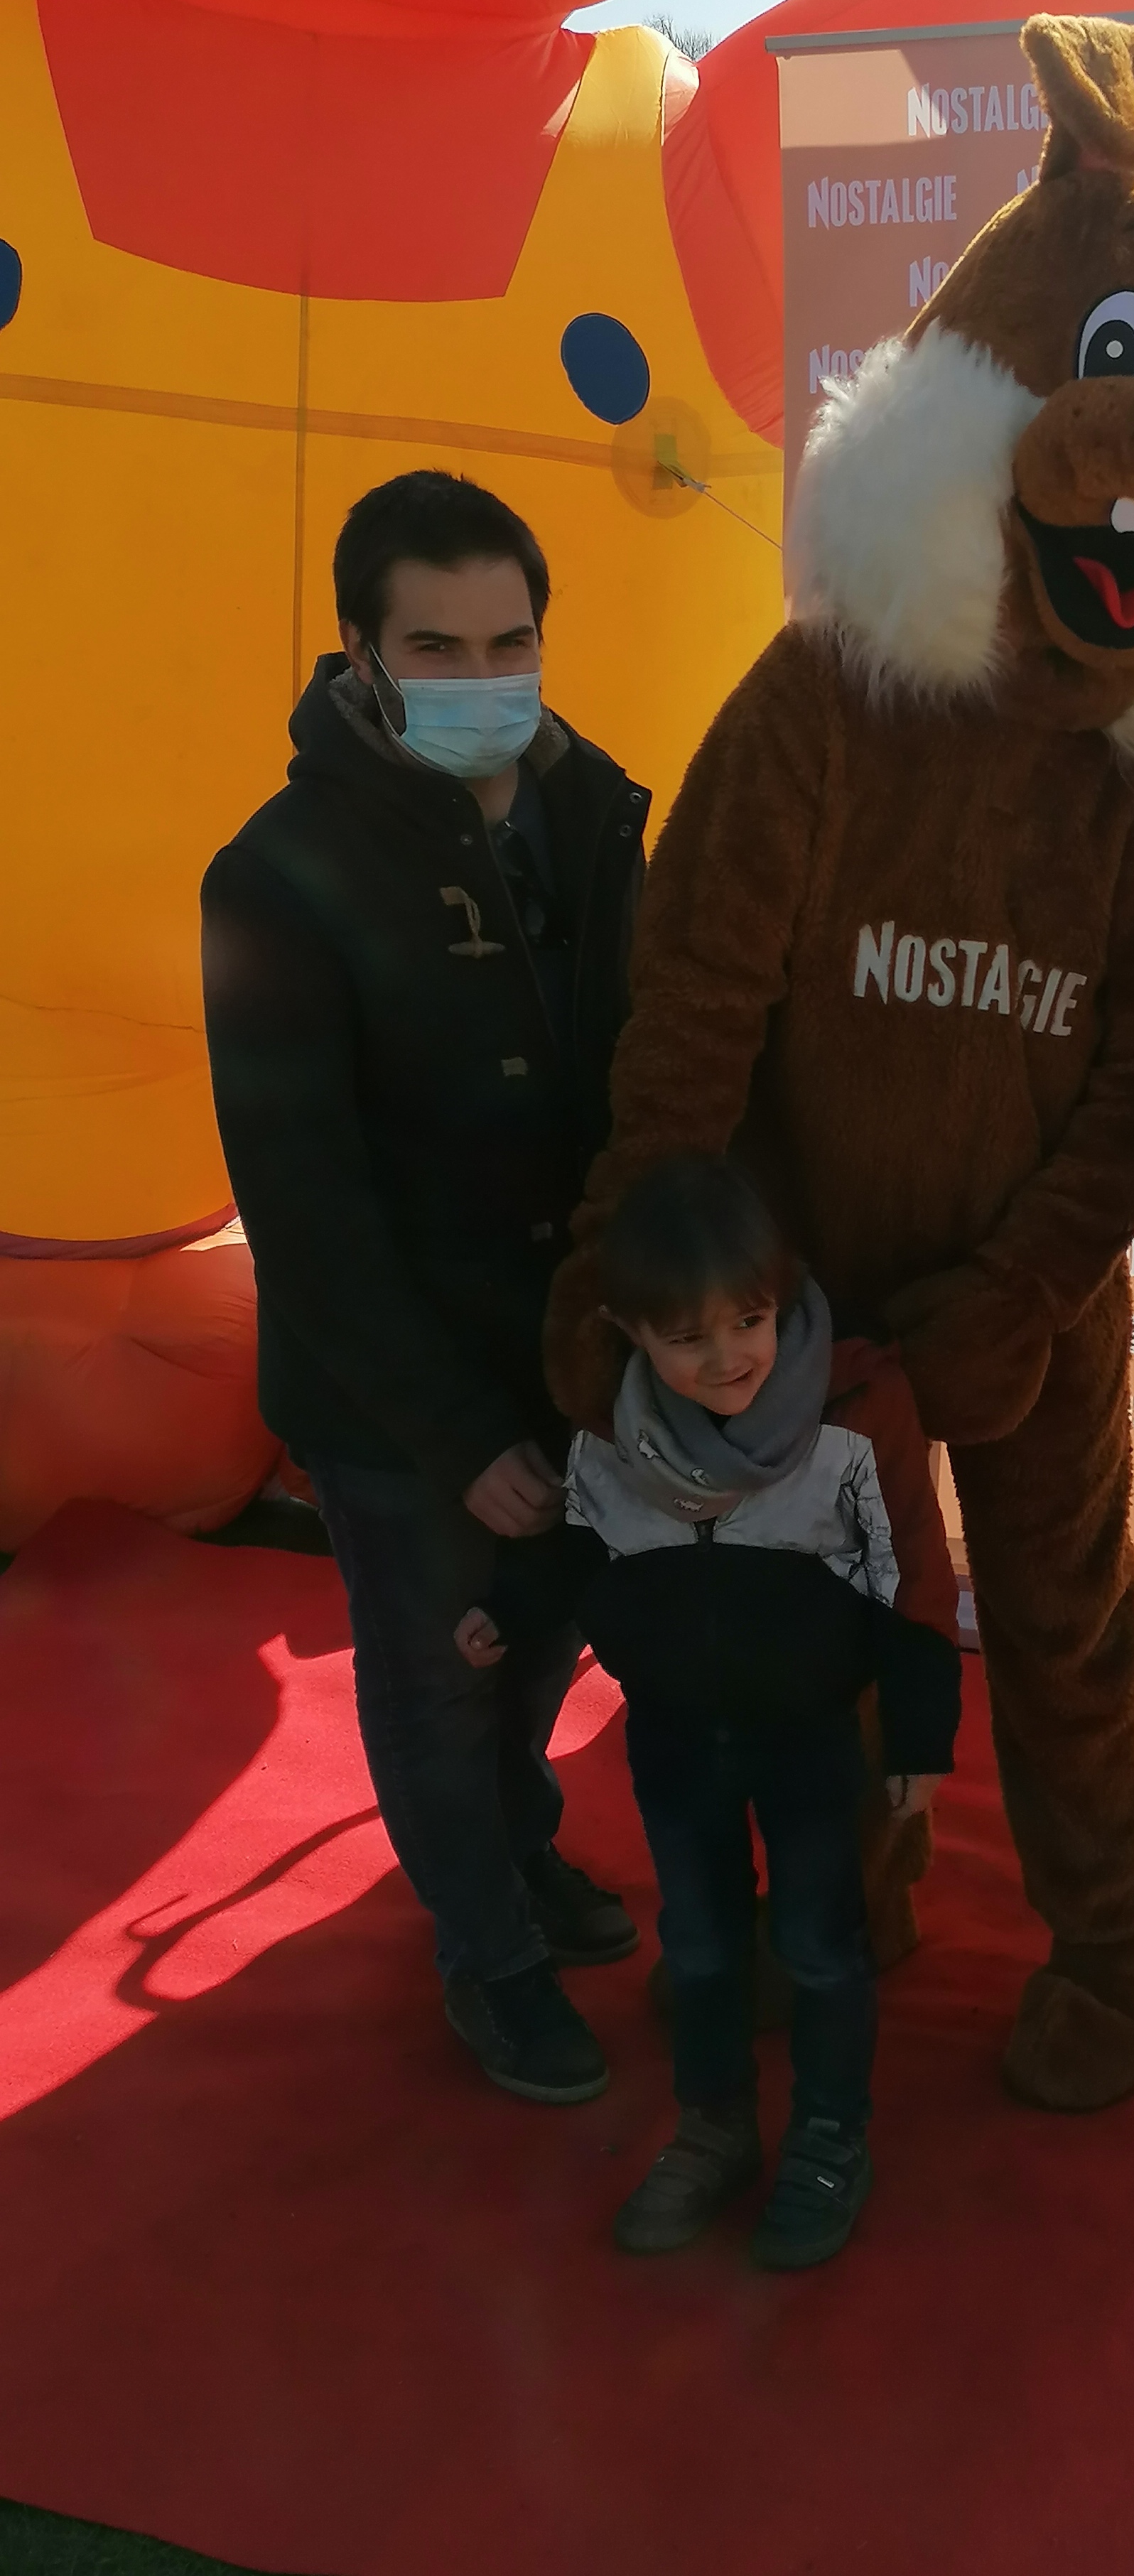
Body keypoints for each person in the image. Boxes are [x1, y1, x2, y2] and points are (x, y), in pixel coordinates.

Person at [201, 470, 651, 2107]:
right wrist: (456, 1434)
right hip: (397, 1392)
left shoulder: (597, 812)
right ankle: (486, 1949)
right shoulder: (275, 875)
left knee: (541, 1639)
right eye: (437, 646)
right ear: (362, 653)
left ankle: (513, 1844)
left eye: (509, 640)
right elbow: (303, 1207)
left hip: (568, 1349)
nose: (482, 675)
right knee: (439, 1668)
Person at [497, 1152, 961, 2272]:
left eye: (749, 1321)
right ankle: (713, 2125)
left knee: (820, 1944)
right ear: (629, 1333)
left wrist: (918, 1734)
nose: (728, 1358)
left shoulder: (857, 1413)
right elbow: (576, 1546)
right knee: (700, 1947)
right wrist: (499, 1613)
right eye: (688, 1338)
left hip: (810, 1740)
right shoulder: (609, 1431)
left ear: (784, 1297)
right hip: (674, 1738)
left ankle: (829, 2136)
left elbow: (912, 1577)